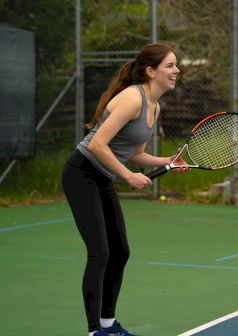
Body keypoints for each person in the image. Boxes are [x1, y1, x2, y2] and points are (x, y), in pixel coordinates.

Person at [62, 43, 188, 336]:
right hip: (81, 173)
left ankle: (109, 325)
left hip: (103, 175)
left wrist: (167, 160)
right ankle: (95, 331)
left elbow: (134, 153)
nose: (176, 70)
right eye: (169, 65)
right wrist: (129, 177)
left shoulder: (154, 106)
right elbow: (96, 144)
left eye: (175, 65)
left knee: (120, 251)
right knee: (100, 252)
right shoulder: (132, 99)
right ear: (150, 71)